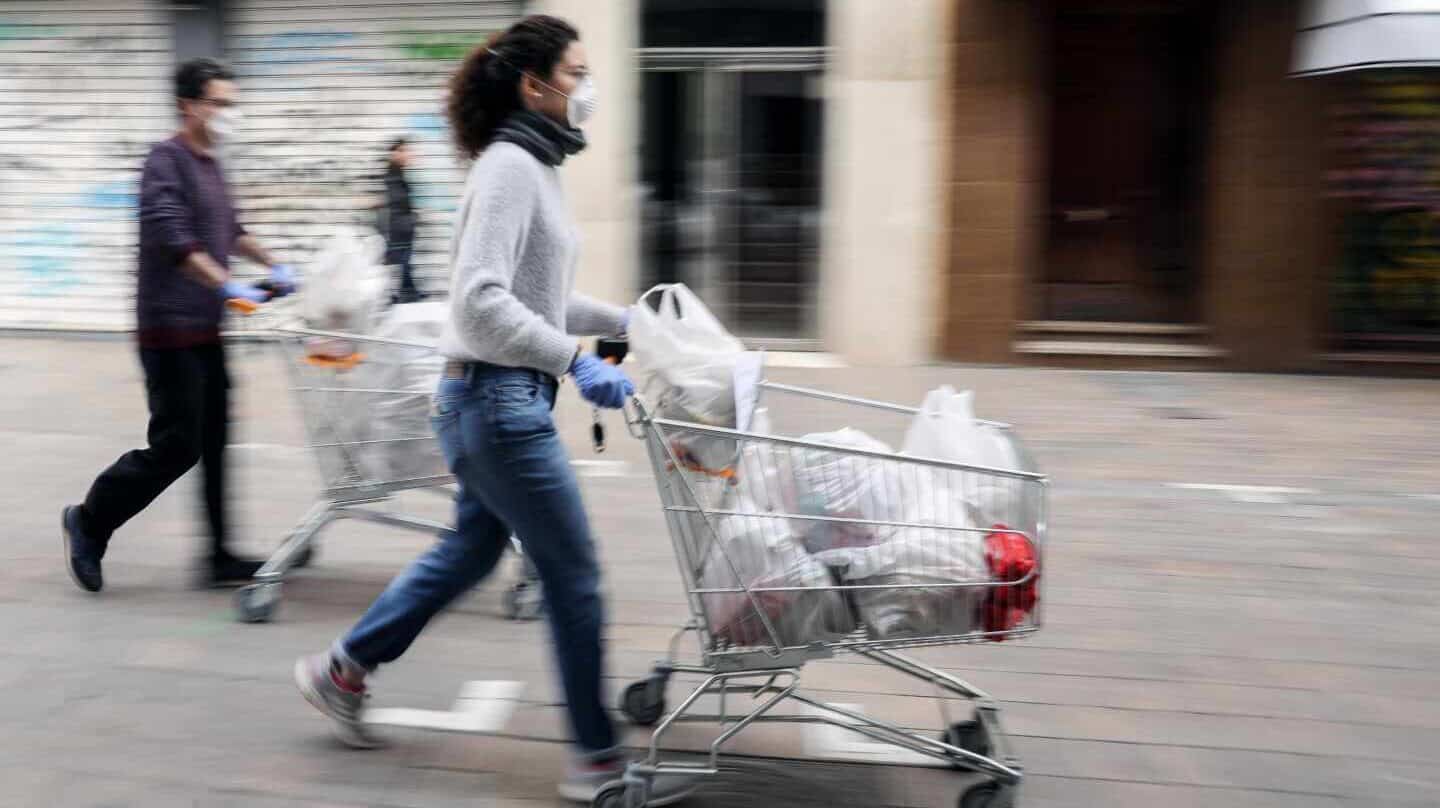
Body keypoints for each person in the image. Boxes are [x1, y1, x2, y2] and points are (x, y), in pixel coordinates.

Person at [293, 16, 694, 806]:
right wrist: (574, 362)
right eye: (577, 74)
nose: (588, 89)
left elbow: (533, 294)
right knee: (573, 576)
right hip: (498, 403)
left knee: (472, 553)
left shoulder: (535, 165)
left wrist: (622, 322)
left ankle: (342, 670)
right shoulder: (512, 166)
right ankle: (598, 767)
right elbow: (477, 307)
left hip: (493, 401)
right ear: (533, 85)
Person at [60, 58, 293, 592]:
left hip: (207, 329)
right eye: (219, 103)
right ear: (189, 105)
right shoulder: (164, 160)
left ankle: (218, 555)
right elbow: (174, 236)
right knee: (177, 444)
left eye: (231, 104)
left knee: (215, 439)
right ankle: (90, 519)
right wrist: (226, 285)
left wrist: (275, 264)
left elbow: (231, 229)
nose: (227, 113)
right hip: (168, 330)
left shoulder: (212, 163)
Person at [380, 137, 422, 303]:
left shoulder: (399, 174)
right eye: (403, 150)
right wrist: (410, 218)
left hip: (403, 225)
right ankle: (400, 293)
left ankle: (408, 291)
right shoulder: (392, 177)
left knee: (403, 261)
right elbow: (396, 201)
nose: (407, 154)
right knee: (399, 260)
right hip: (398, 226)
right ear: (393, 154)